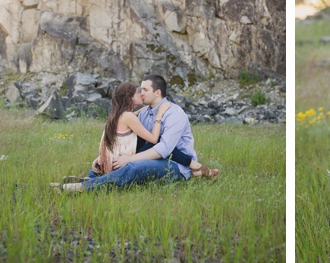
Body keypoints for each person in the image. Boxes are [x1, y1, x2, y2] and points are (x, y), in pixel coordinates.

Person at [50, 75, 219, 193]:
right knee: (110, 161)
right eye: (139, 91)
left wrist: (129, 159)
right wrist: (107, 156)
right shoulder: (143, 113)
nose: (141, 93)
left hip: (176, 166)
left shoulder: (174, 113)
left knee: (133, 167)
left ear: (157, 92)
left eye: (145, 90)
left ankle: (81, 188)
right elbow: (136, 141)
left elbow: (164, 149)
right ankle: (89, 179)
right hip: (154, 156)